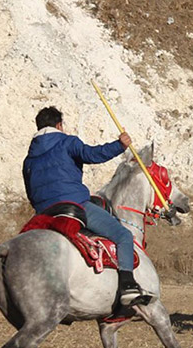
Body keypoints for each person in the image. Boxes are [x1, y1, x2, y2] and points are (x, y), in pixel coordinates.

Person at [22, 106, 150, 306]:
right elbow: (92, 155)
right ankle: (127, 286)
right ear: (59, 125)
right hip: (73, 204)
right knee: (123, 235)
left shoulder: (29, 159)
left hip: (44, 213)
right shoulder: (67, 142)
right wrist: (119, 145)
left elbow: (30, 192)